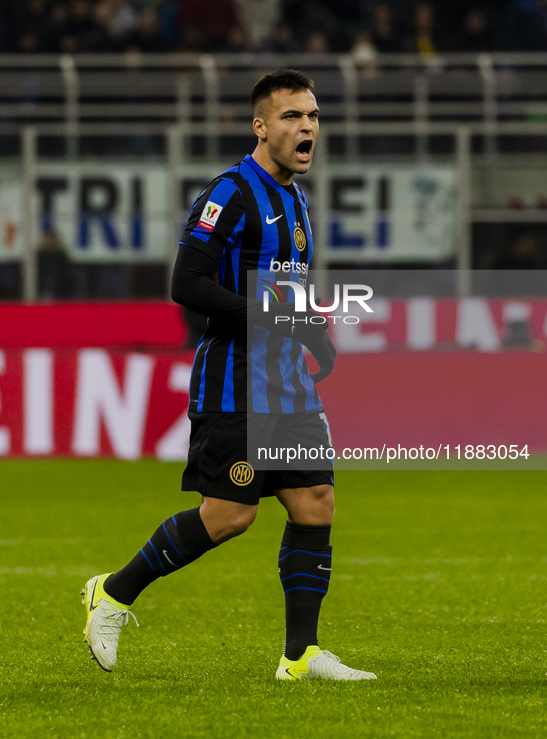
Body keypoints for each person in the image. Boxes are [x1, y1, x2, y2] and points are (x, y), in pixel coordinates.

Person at [81, 69, 377, 682]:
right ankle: (111, 594)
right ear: (260, 126)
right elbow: (185, 284)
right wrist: (270, 312)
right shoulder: (230, 194)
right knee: (229, 515)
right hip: (234, 380)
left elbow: (282, 289)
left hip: (288, 382)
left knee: (315, 503)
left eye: (314, 116)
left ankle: (300, 657)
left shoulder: (295, 201)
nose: (307, 128)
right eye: (293, 116)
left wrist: (311, 328)